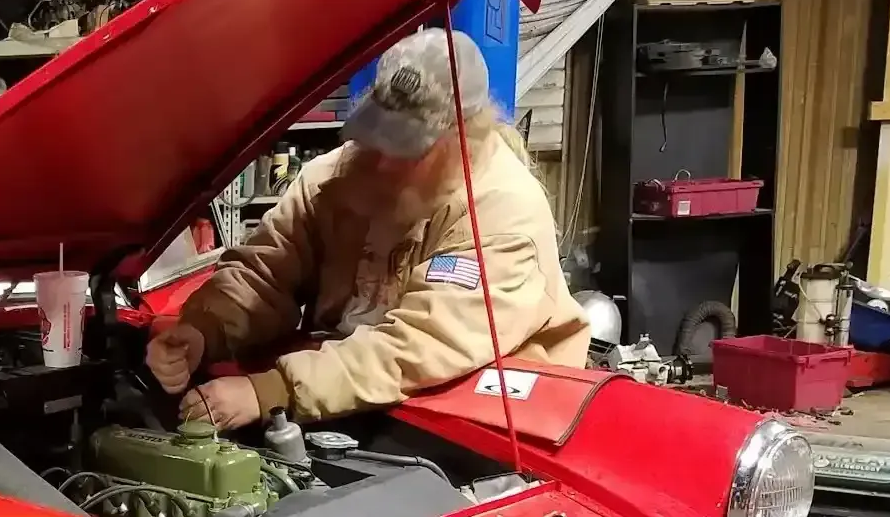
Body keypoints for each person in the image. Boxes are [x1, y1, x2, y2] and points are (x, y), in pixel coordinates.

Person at [146, 28, 591, 427]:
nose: (383, 161)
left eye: (406, 148)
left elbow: (417, 347)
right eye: (378, 138)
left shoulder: (503, 212)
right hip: (354, 399)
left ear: (462, 138)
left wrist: (271, 392)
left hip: (484, 422)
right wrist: (204, 330)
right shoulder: (337, 177)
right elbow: (265, 271)